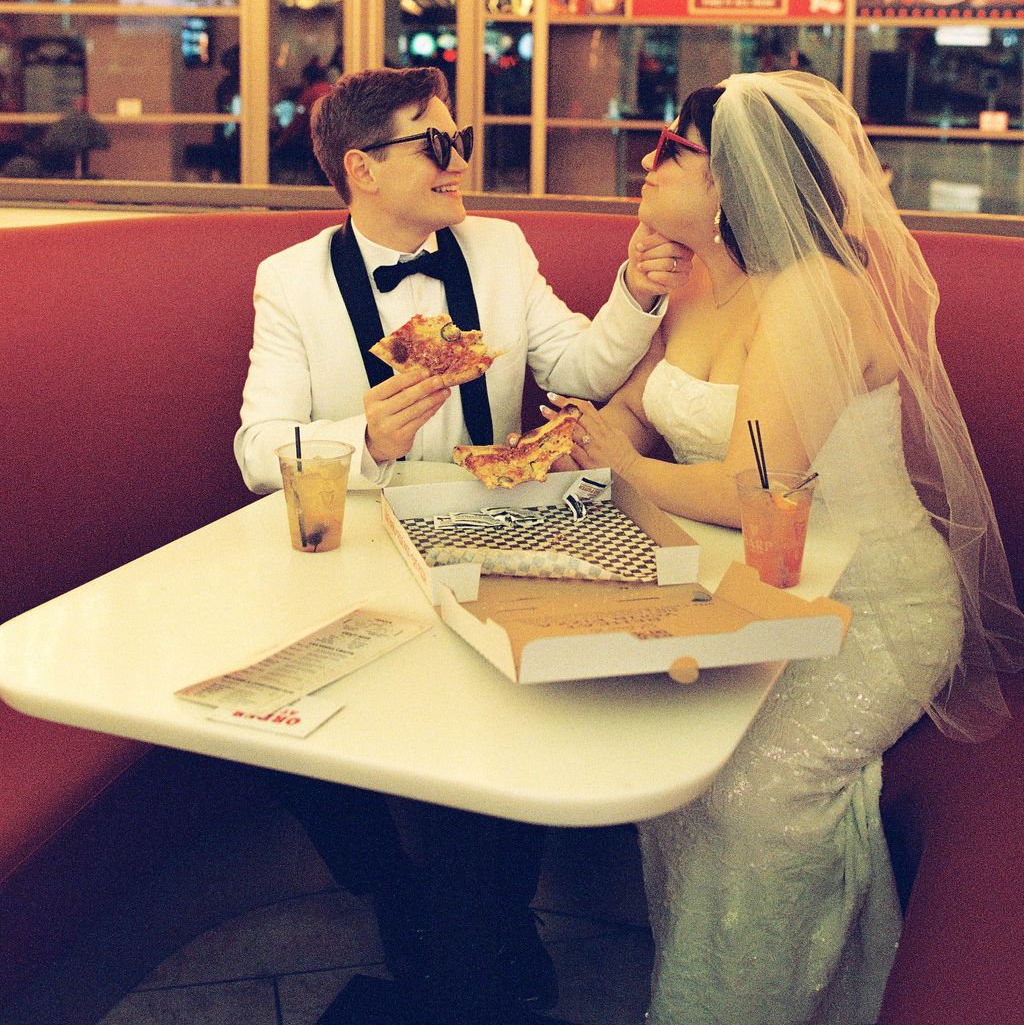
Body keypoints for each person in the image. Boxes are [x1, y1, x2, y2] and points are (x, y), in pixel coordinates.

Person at [548, 70, 1024, 1025]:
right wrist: (580, 443)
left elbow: (757, 485)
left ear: (733, 182)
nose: (644, 162)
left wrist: (619, 469)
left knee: (750, 798)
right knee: (671, 766)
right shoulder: (699, 276)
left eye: (670, 150)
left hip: (869, 610)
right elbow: (640, 407)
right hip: (755, 588)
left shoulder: (817, 296)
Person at [235, 64, 687, 1025]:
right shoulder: (291, 280)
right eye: (432, 144)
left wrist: (636, 295)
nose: (457, 161)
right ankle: (397, 895)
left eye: (458, 138)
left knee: (504, 713)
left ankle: (483, 923)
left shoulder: (498, 246)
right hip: (358, 555)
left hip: (500, 538)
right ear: (362, 168)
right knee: (260, 724)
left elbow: (576, 363)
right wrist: (367, 439)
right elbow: (253, 449)